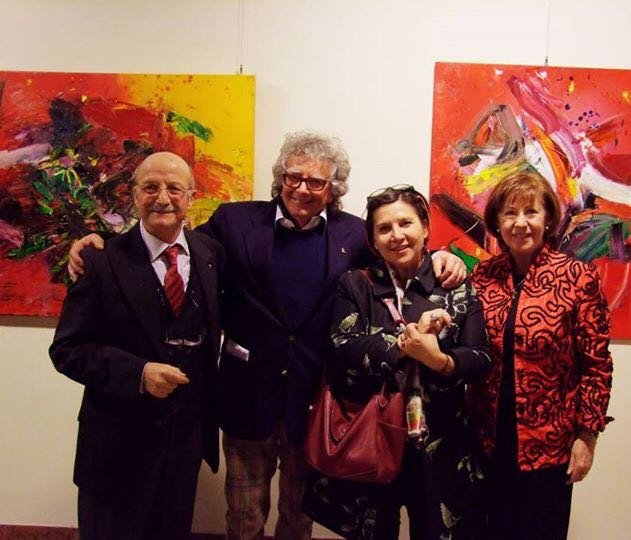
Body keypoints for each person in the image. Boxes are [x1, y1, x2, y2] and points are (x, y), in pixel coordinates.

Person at [67, 132, 466, 540]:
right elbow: (174, 243)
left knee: (298, 516)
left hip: (315, 399)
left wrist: (439, 255)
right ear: (280, 177)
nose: (302, 189)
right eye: (294, 177)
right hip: (247, 395)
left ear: (332, 189)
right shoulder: (234, 221)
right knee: (244, 517)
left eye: (316, 182)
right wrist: (102, 244)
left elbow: (396, 254)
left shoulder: (353, 234)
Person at [49, 152, 225, 539]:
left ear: (191, 197)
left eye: (174, 188)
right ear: (133, 195)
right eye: (150, 187)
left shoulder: (211, 254)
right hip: (115, 449)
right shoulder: (100, 260)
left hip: (182, 448)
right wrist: (139, 374)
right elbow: (67, 349)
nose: (162, 198)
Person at [303, 185, 492, 539]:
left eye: (406, 223)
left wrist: (439, 360)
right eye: (384, 228)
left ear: (425, 227)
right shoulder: (356, 285)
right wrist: (406, 346)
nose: (397, 235)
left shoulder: (454, 284)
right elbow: (341, 347)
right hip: (371, 438)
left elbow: (480, 355)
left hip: (442, 442)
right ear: (373, 241)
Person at [468, 171, 614, 539]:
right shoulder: (482, 277)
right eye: (509, 213)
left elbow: (596, 365)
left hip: (549, 446)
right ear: (497, 222)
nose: (520, 223)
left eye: (530, 212)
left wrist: (587, 437)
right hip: (487, 441)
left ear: (547, 219)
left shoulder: (577, 278)